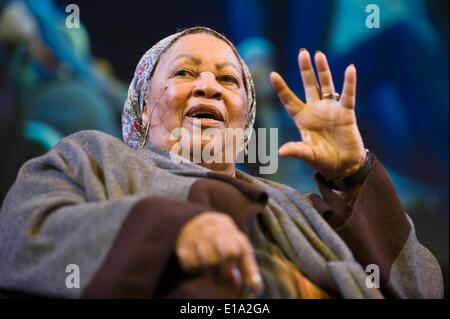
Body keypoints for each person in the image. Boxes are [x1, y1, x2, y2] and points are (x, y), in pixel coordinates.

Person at [0, 26, 443, 299]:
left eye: (229, 79)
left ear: (244, 123)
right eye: (185, 73)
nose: (209, 86)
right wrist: (170, 231)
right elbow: (22, 234)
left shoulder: (297, 206)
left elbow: (421, 289)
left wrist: (354, 175)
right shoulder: (93, 158)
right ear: (143, 109)